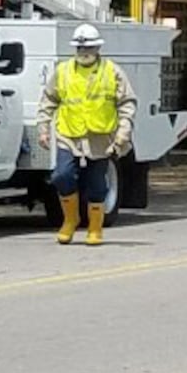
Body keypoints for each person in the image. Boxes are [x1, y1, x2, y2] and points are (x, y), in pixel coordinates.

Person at [48, 24, 131, 246]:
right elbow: (48, 100)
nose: (84, 52)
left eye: (89, 48)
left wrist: (123, 133)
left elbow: (127, 103)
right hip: (69, 134)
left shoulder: (112, 71)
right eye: (80, 48)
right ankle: (70, 219)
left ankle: (95, 228)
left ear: (98, 48)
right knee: (61, 176)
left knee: (97, 185)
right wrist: (43, 128)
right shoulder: (63, 71)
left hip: (100, 137)